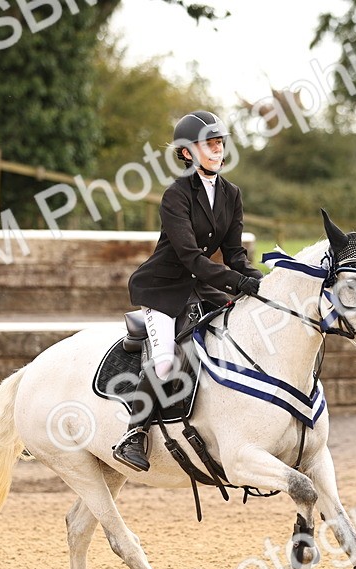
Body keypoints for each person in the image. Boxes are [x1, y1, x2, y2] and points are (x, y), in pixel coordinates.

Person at [112, 110, 263, 471]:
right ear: (186, 153)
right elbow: (191, 257)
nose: (217, 148)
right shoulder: (175, 196)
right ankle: (133, 434)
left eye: (220, 142)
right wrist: (236, 282)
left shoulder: (231, 193)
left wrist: (260, 281)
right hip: (164, 288)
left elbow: (235, 255)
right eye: (209, 143)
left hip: (202, 287)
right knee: (165, 360)